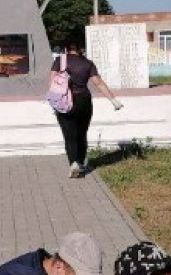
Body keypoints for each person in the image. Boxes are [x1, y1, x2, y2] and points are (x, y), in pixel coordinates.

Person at [51, 42, 122, 178]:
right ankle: (81, 162)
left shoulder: (59, 61)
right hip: (84, 100)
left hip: (64, 100)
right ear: (81, 49)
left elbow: (53, 81)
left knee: (69, 134)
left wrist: (54, 101)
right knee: (82, 133)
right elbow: (98, 83)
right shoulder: (87, 63)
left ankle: (73, 163)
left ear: (66, 49)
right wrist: (113, 100)